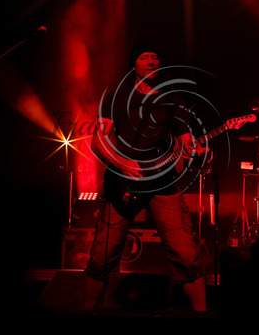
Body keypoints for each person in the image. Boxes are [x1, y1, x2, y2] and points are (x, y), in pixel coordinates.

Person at [84, 43, 208, 311]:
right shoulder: (117, 97)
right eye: (144, 57)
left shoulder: (173, 100)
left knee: (187, 255)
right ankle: (86, 315)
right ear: (134, 65)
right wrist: (120, 162)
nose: (151, 61)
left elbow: (186, 142)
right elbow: (97, 141)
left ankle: (204, 318)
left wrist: (196, 151)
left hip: (162, 183)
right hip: (123, 183)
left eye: (155, 57)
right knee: (102, 257)